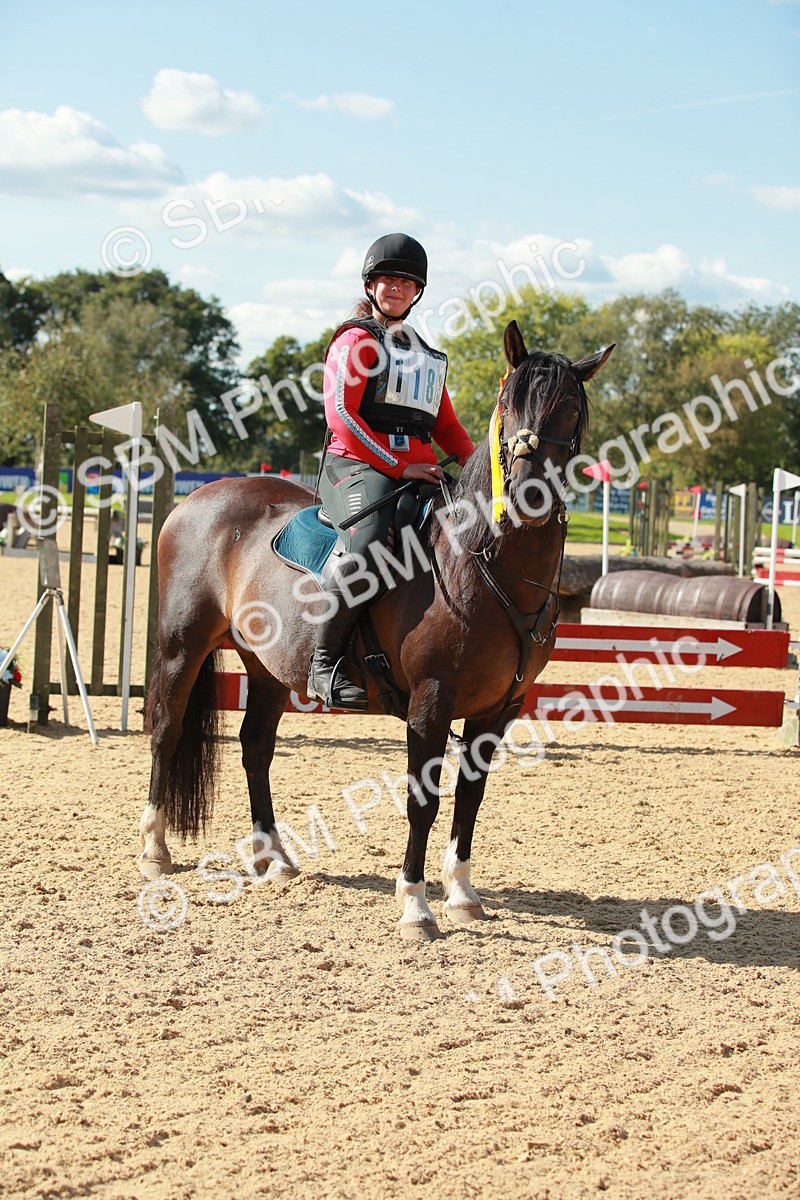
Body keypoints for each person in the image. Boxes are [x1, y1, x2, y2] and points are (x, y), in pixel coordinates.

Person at [307, 232, 475, 709]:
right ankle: (325, 663)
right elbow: (342, 414)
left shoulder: (423, 353)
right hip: (355, 467)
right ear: (371, 285)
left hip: (419, 472)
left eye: (406, 281)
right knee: (368, 538)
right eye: (388, 279)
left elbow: (447, 425)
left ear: (417, 291)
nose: (397, 288)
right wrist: (400, 466)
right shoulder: (355, 341)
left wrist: (484, 466)